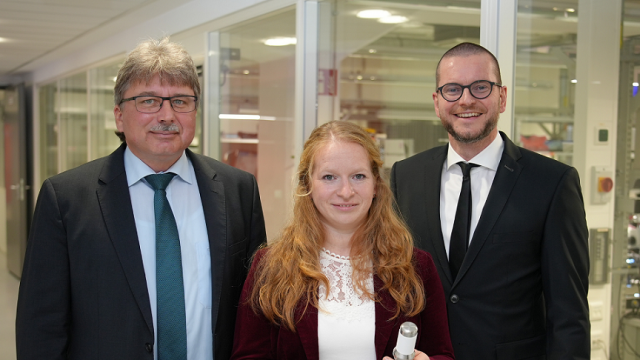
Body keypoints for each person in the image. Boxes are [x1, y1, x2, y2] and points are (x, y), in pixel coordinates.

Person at [16, 38, 266, 360]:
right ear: (119, 116)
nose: (167, 115)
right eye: (149, 101)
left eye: (180, 101)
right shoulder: (65, 200)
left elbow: (257, 314)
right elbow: (41, 326)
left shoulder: (238, 190)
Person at [390, 42, 590, 359]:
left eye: (480, 87)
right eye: (452, 89)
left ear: (502, 97)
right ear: (436, 101)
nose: (466, 99)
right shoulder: (405, 176)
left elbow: (569, 314)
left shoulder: (551, 183)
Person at [231, 121, 455, 360]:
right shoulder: (270, 267)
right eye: (329, 177)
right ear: (307, 185)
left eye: (358, 176)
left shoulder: (416, 267)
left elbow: (442, 353)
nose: (346, 191)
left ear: (376, 185)